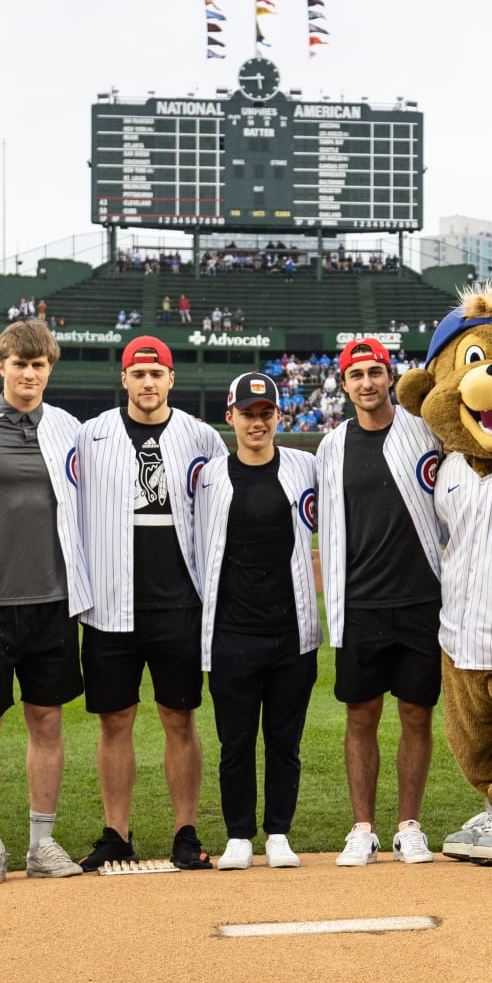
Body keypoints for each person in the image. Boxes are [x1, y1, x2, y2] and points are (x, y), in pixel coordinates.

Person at [0, 321, 93, 884]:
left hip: (53, 598)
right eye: (19, 364)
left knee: (46, 720)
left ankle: (41, 843)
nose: (29, 374)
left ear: (49, 369)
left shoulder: (69, 429)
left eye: (39, 365)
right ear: (0, 365)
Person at [71, 335, 227, 870]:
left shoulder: (202, 437)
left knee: (178, 718)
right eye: (138, 375)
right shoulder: (90, 436)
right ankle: (116, 831)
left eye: (156, 374)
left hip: (178, 601)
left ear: (170, 378)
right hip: (110, 601)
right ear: (124, 379)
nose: (147, 383)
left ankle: (185, 829)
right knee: (114, 720)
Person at [315, 338, 444, 867]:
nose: (366, 383)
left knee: (417, 714)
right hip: (361, 602)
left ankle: (409, 825)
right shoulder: (332, 445)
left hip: (421, 599)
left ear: (389, 377)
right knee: (361, 714)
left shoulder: (424, 431)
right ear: (343, 385)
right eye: (355, 375)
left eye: (374, 372)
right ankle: (362, 827)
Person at [191, 372, 322, 869]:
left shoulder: (304, 466)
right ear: (231, 418)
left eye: (266, 413)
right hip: (231, 634)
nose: (257, 421)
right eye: (248, 413)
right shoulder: (209, 477)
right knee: (236, 741)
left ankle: (279, 833)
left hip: (292, 634)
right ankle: (239, 835)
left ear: (278, 417)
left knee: (285, 742)